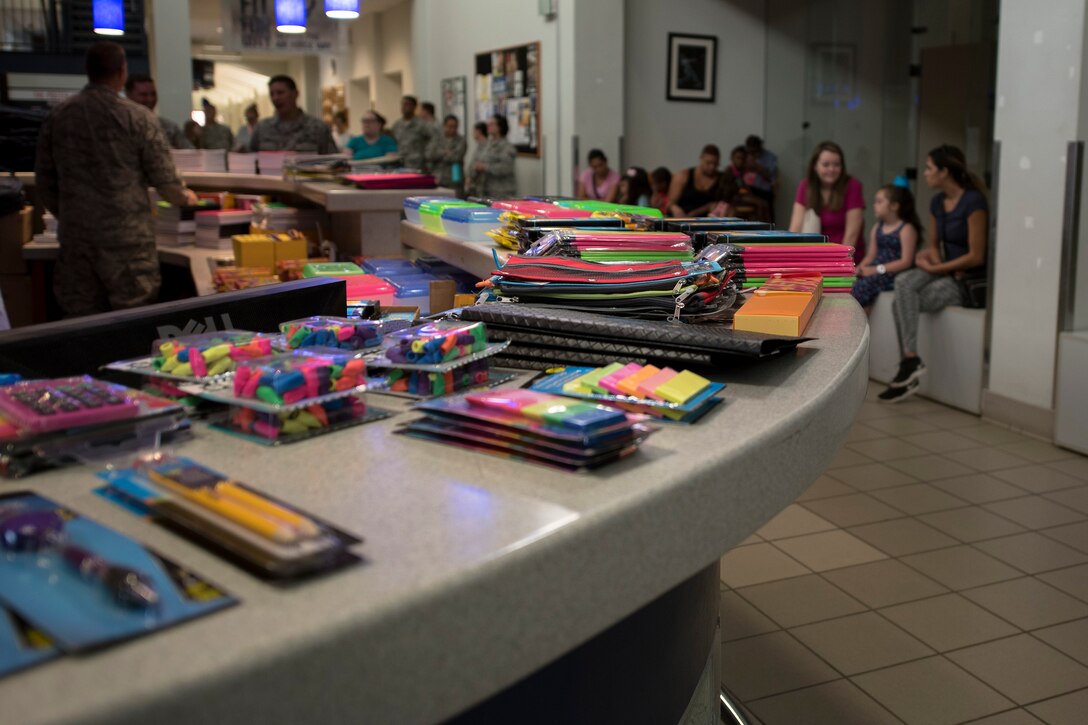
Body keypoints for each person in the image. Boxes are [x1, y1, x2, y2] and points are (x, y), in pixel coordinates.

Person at [35, 41, 198, 317]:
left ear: (88, 71)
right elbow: (164, 178)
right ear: (122, 72)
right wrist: (186, 198)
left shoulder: (59, 116)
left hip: (77, 241)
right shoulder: (137, 117)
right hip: (128, 244)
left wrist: (70, 215)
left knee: (81, 324)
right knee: (131, 324)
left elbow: (45, 181)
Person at [879, 145, 989, 402]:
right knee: (903, 282)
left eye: (929, 168)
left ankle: (908, 366)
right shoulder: (937, 203)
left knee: (901, 302)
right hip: (946, 271)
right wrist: (932, 261)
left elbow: (976, 255)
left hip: (968, 280)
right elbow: (934, 244)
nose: (925, 173)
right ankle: (910, 359)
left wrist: (937, 269)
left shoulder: (973, 202)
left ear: (944, 171)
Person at [789, 141, 865, 263]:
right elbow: (795, 229)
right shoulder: (806, 186)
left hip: (845, 259)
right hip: (814, 258)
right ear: (815, 166)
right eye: (826, 164)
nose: (831, 169)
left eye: (836, 165)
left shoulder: (852, 186)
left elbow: (851, 235)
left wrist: (838, 264)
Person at [851, 185, 920, 312]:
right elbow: (871, 255)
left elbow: (906, 261)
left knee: (863, 287)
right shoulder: (877, 227)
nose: (874, 205)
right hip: (874, 270)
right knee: (849, 284)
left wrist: (877, 269)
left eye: (879, 201)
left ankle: (855, 322)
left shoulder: (906, 229)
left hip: (891, 273)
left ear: (894, 206)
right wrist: (859, 268)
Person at [249, 75, 337, 153]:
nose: (275, 98)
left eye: (280, 93)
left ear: (295, 94)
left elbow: (333, 163)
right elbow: (252, 160)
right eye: (272, 94)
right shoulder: (262, 129)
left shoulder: (318, 128)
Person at [123, 72, 192, 149]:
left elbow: (190, 152)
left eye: (153, 94)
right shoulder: (120, 127)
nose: (150, 99)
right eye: (143, 95)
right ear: (128, 95)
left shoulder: (169, 127)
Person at [668, 144, 722, 217]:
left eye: (715, 164)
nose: (712, 167)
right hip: (683, 219)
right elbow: (671, 203)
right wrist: (675, 209)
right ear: (701, 158)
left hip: (708, 221)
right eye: (708, 163)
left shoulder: (722, 179)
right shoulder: (683, 176)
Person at [474, 114, 517, 198]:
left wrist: (485, 167)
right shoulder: (487, 144)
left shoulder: (506, 147)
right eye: (488, 124)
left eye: (492, 124)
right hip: (485, 190)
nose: (488, 126)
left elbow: (506, 168)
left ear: (499, 127)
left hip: (501, 192)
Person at [426, 114, 467, 193]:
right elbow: (429, 155)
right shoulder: (437, 139)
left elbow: (456, 157)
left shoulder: (461, 141)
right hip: (438, 178)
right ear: (444, 126)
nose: (452, 129)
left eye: (455, 127)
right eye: (450, 126)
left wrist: (439, 155)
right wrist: (443, 152)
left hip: (454, 179)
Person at [391, 95, 433, 170]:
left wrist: (427, 158)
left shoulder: (422, 124)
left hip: (418, 165)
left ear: (414, 107)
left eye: (407, 104)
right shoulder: (397, 125)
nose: (404, 107)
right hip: (400, 164)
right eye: (403, 104)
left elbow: (431, 141)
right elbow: (393, 142)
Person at [745, 134, 778, 218]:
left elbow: (771, 177)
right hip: (747, 190)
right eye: (750, 151)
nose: (752, 154)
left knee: (766, 210)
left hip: (763, 191)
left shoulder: (770, 157)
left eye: (754, 151)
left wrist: (757, 166)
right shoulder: (744, 155)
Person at [465, 121, 488, 197]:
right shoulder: (479, 145)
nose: (473, 133)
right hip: (475, 185)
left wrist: (470, 176)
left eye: (474, 131)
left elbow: (478, 164)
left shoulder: (487, 146)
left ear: (479, 131)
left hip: (482, 185)